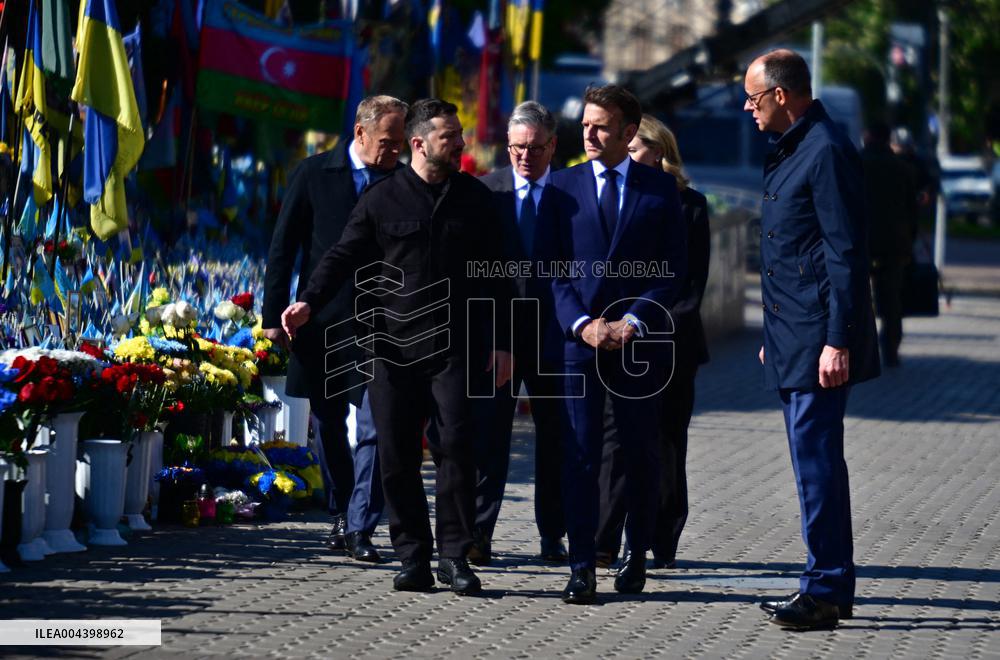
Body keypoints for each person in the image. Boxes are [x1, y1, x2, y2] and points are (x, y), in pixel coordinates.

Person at [281, 99, 513, 596]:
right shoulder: (382, 200)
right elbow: (341, 255)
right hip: (390, 350)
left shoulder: (475, 200)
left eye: (459, 133)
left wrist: (503, 343)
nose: (460, 143)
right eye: (449, 136)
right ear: (419, 143)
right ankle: (413, 557)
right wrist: (306, 303)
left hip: (455, 349)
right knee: (397, 455)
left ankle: (455, 556)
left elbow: (500, 276)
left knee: (455, 449)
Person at [743, 50, 879, 629]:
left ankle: (823, 589)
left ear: (780, 94)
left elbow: (843, 253)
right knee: (814, 463)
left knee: (817, 464)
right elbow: (795, 255)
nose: (747, 108)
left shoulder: (822, 149)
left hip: (821, 342)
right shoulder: (801, 144)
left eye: (753, 97)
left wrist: (835, 340)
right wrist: (780, 333)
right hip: (797, 335)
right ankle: (829, 583)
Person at [547, 84, 687, 604]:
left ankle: (636, 554)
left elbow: (672, 271)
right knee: (580, 455)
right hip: (580, 346)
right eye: (585, 123)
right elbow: (550, 270)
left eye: (601, 126)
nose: (588, 133)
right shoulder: (562, 187)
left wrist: (634, 319)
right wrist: (582, 323)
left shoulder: (658, 189)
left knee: (638, 454)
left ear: (629, 133)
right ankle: (582, 563)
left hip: (639, 346)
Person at [262, 95, 407, 562]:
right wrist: (271, 318)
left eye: (402, 141)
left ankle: (361, 521)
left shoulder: (401, 181)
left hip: (382, 322)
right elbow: (283, 249)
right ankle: (344, 508)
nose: (396, 149)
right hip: (321, 319)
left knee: (376, 425)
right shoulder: (313, 174)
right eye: (388, 141)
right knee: (326, 422)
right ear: (360, 133)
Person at [595, 114, 711, 569]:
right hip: (618, 344)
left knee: (665, 444)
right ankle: (604, 539)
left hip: (671, 346)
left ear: (658, 151)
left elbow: (689, 285)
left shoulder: (691, 206)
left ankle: (659, 541)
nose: (626, 153)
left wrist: (645, 326)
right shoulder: (624, 197)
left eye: (635, 145)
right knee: (615, 442)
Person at [472, 101, 567, 566]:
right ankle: (478, 534)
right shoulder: (485, 193)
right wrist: (494, 337)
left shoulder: (572, 194)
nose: (523, 157)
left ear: (552, 146)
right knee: (489, 438)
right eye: (515, 148)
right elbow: (475, 276)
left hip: (555, 338)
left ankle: (554, 537)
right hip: (498, 339)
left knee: (556, 442)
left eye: (533, 148)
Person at [862, 122, 918, 367]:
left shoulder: (854, 163)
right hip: (895, 245)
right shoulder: (902, 168)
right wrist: (910, 243)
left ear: (868, 136)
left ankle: (861, 352)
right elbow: (912, 211)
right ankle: (891, 350)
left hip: (860, 243)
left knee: (858, 298)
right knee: (891, 300)